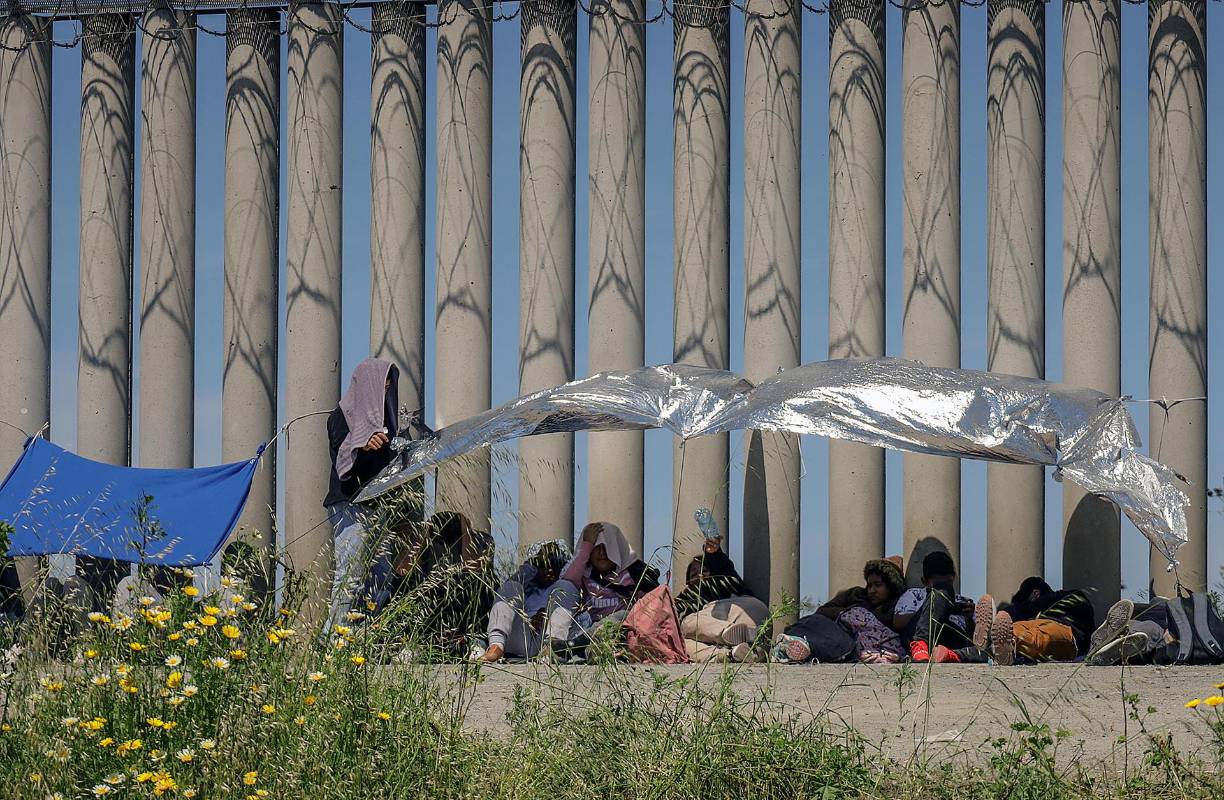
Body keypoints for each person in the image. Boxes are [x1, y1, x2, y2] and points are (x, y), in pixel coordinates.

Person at [392, 510, 495, 655]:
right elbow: (401, 570)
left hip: (465, 602)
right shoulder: (427, 542)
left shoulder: (481, 539)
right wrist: (424, 534)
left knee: (481, 584)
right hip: (433, 604)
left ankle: (476, 640)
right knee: (403, 584)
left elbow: (473, 566)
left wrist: (464, 530)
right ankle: (414, 643)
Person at [550, 521, 658, 658]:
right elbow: (566, 582)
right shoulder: (585, 573)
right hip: (587, 629)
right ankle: (571, 649)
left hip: (619, 631)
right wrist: (586, 545)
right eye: (597, 548)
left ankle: (584, 649)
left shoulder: (634, 574)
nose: (602, 553)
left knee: (624, 614)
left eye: (607, 547)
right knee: (564, 587)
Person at [772, 557, 906, 664]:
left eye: (878, 585)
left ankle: (797, 649)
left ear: (891, 586)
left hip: (848, 646)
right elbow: (823, 611)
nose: (872, 590)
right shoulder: (856, 594)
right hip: (832, 629)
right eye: (869, 585)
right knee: (814, 622)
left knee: (841, 645)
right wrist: (849, 614)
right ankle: (791, 643)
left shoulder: (897, 609)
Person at [477, 538, 574, 662]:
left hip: (550, 638)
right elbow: (511, 585)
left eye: (554, 564)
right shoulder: (527, 586)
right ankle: (496, 646)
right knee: (511, 586)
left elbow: (573, 577)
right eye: (543, 565)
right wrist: (535, 561)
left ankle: (553, 650)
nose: (549, 569)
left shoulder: (562, 588)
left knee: (567, 586)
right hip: (522, 637)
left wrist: (547, 616)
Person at [674, 538, 768, 663]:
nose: (700, 575)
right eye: (694, 573)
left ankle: (729, 632)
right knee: (682, 644)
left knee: (685, 623)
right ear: (688, 582)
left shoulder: (721, 581)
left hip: (745, 613)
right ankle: (730, 655)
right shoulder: (689, 597)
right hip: (754, 637)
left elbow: (721, 566)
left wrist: (714, 553)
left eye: (704, 570)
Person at [974, 578, 1095, 665]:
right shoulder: (1034, 611)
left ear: (1035, 593)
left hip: (1068, 632)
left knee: (1039, 637)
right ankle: (994, 642)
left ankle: (997, 645)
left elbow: (1031, 606)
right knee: (1014, 628)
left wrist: (1012, 609)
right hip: (1035, 623)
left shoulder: (1070, 596)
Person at [893, 550, 979, 663]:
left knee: (986, 651)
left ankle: (949, 655)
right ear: (924, 581)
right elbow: (898, 623)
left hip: (952, 642)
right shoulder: (914, 595)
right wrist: (934, 608)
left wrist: (969, 619)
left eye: (948, 582)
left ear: (953, 578)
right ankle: (921, 644)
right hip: (921, 637)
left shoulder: (964, 601)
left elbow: (973, 640)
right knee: (941, 592)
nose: (944, 585)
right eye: (937, 583)